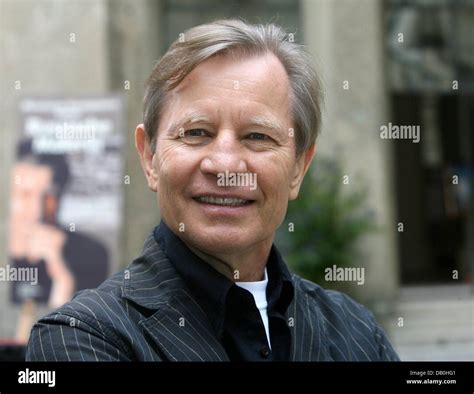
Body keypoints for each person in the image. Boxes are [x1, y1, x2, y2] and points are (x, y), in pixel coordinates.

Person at [26, 19, 399, 361]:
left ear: (298, 168)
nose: (225, 166)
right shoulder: (82, 338)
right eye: (196, 133)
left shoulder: (357, 332)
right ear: (149, 157)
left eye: (257, 136)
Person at [9, 139, 109, 342]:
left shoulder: (91, 254)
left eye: (27, 196)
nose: (16, 208)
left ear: (51, 202)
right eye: (14, 194)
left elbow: (76, 342)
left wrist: (61, 282)